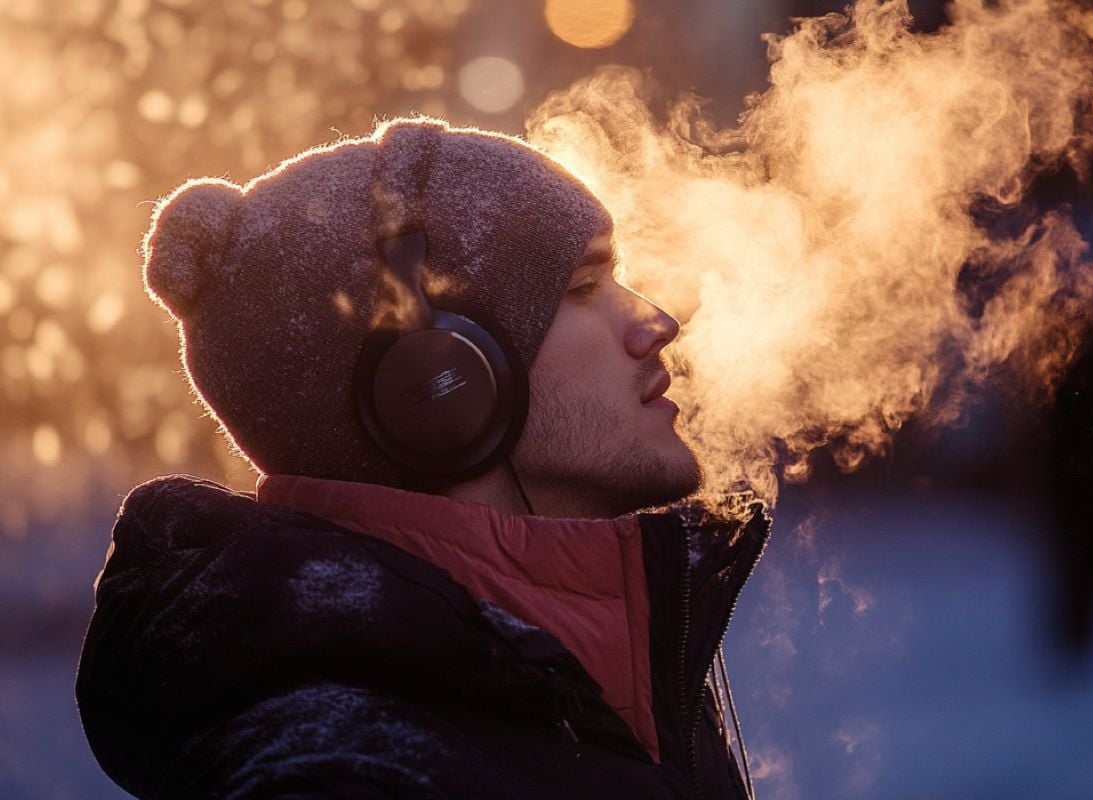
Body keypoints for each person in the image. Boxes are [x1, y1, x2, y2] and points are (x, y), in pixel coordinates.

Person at [76, 117, 770, 799]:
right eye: (584, 289)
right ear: (440, 382)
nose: (657, 324)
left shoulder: (581, 687)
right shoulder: (353, 776)